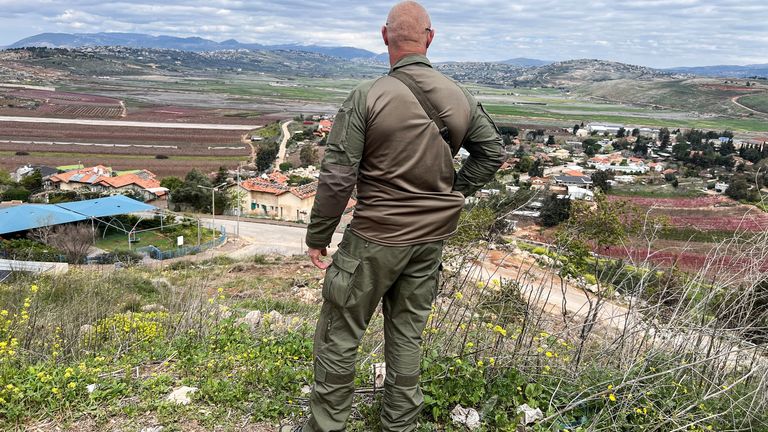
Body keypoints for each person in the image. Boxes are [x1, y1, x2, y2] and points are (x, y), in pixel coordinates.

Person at [280, 1, 504, 431]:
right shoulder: (460, 96)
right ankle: (398, 424)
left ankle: (327, 426)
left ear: (384, 37)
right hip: (429, 240)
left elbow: (337, 176)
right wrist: (453, 193)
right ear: (430, 37)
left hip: (374, 238)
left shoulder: (368, 96)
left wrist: (318, 236)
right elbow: (491, 152)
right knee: (406, 334)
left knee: (341, 332)